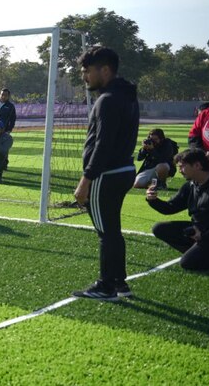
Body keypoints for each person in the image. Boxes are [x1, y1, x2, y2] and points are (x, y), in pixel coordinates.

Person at [71, 46, 140, 301]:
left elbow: (103, 143)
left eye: (87, 71)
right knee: (112, 229)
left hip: (107, 175)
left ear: (105, 70)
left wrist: (86, 180)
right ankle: (120, 282)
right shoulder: (125, 95)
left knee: (106, 233)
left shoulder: (108, 99)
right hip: (122, 171)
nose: (84, 76)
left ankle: (106, 286)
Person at [145, 149, 209, 270]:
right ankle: (200, 252)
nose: (180, 171)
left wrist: (205, 235)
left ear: (197, 165)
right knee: (159, 228)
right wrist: (153, 200)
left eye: (182, 167)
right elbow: (170, 207)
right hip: (200, 231)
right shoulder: (191, 185)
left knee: (187, 263)